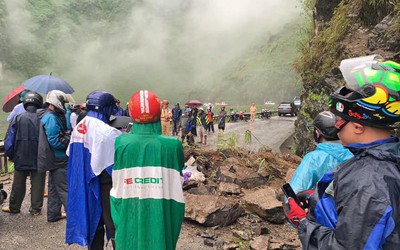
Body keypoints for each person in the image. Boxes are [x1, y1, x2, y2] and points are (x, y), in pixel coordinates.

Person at [284, 55, 400, 249]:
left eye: (339, 121)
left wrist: (304, 224)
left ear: (357, 127)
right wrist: (319, 199)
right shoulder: (384, 162)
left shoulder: (368, 182)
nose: (335, 128)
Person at [110, 90, 185, 249]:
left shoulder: (121, 143)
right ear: (159, 111)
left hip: (130, 207)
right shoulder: (173, 145)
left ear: (131, 112)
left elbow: (117, 182)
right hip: (162, 210)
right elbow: (178, 175)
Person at [66, 90, 122, 249]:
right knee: (114, 225)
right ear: (105, 109)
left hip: (83, 185)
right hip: (105, 186)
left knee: (94, 225)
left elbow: (71, 155)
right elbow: (115, 165)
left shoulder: (78, 128)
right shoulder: (108, 132)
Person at [289, 111, 353, 194]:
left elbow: (294, 194)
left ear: (317, 133)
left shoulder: (313, 158)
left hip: (323, 206)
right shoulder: (356, 154)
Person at [3, 91, 46, 215]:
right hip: (39, 156)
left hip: (20, 156)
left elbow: (9, 139)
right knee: (38, 183)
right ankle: (35, 209)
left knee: (18, 183)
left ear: (26, 103)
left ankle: (14, 207)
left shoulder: (18, 118)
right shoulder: (43, 118)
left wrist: (10, 154)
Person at [37, 90, 70, 222]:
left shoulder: (50, 115)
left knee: (54, 188)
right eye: (62, 101)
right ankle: (75, 217)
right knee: (64, 188)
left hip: (52, 158)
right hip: (58, 157)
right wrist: (69, 140)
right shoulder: (51, 117)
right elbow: (56, 141)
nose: (63, 104)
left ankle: (53, 214)